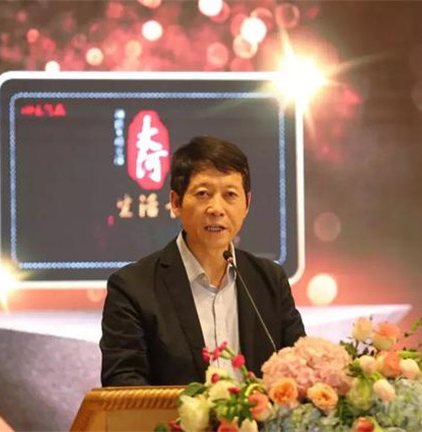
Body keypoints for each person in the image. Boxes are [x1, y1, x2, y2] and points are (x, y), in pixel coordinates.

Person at [100, 135, 305, 386]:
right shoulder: (132, 288)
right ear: (176, 202)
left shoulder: (270, 281)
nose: (216, 208)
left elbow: (299, 368)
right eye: (203, 194)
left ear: (247, 204)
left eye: (230, 195)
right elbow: (123, 385)